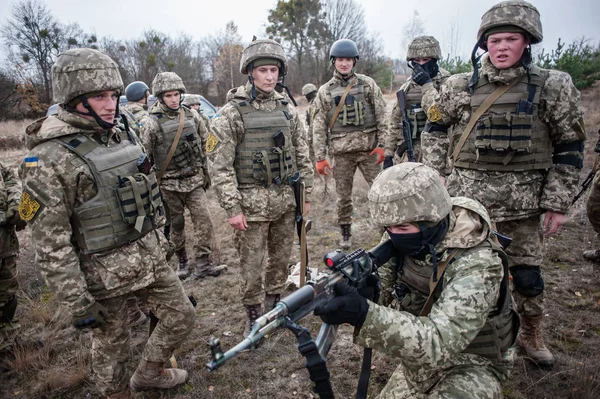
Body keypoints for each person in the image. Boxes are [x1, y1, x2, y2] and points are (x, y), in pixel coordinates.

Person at [19, 48, 195, 398]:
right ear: (73, 99)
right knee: (113, 349)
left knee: (182, 314)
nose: (111, 103)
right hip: (102, 275)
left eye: (113, 95)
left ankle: (149, 372)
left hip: (147, 258)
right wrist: (77, 301)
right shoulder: (46, 159)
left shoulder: (122, 130)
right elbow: (50, 244)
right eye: (99, 96)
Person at [419, 0, 585, 369]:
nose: (502, 47)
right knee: (461, 272)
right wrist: (436, 176)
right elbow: (433, 128)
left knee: (527, 276)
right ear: (484, 45)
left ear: (527, 42)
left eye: (511, 38)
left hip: (525, 208)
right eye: (495, 40)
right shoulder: (460, 86)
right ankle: (467, 333)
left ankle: (530, 332)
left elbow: (570, 146)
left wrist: (557, 203)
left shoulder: (553, 87)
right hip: (467, 206)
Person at [314, 163, 517, 398]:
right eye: (388, 228)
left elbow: (440, 341)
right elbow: (386, 286)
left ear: (432, 219)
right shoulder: (405, 233)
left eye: (402, 227)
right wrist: (369, 291)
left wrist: (364, 313)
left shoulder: (478, 263)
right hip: (418, 363)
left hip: (473, 365)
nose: (394, 235)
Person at [207, 38, 313, 337]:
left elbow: (303, 156)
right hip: (250, 207)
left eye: (274, 70)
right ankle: (253, 313)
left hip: (285, 201)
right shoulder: (231, 114)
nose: (270, 76)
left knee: (279, 260)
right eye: (263, 70)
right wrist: (232, 208)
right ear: (250, 73)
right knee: (251, 265)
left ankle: (276, 305)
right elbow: (220, 166)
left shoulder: (288, 110)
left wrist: (305, 198)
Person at [141, 72, 226, 280]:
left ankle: (203, 263)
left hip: (194, 181)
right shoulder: (151, 123)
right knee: (177, 225)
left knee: (204, 220)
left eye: (176, 95)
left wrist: (215, 153)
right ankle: (182, 261)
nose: (173, 99)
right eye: (168, 95)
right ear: (160, 97)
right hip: (168, 185)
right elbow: (143, 157)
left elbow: (209, 140)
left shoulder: (192, 115)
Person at [311, 39, 388, 249]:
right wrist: (320, 157)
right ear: (333, 61)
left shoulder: (367, 84)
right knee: (343, 197)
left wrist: (383, 145)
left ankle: (388, 228)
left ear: (354, 61)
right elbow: (318, 126)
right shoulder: (325, 91)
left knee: (381, 191)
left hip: (368, 151)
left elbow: (383, 116)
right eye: (340, 60)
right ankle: (345, 231)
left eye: (348, 60)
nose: (344, 64)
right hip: (342, 154)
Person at [384, 36, 450, 167]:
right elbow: (394, 123)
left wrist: (427, 85)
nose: (421, 64)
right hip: (413, 153)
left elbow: (444, 116)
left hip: (443, 155)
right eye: (416, 61)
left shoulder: (448, 84)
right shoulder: (407, 88)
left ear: (435, 60)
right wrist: (389, 154)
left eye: (426, 60)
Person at [0, 163, 26, 352]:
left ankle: (9, 343)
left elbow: (9, 178)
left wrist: (16, 204)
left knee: (8, 292)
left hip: (5, 240)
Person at [302, 83, 318, 164]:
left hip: (316, 137)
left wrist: (310, 138)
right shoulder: (319, 101)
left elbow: (313, 123)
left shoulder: (315, 104)